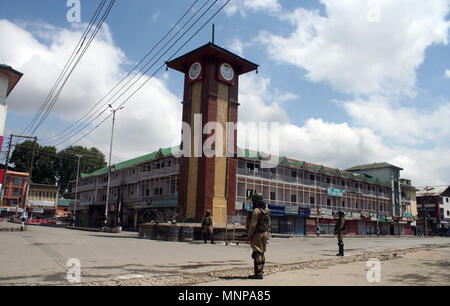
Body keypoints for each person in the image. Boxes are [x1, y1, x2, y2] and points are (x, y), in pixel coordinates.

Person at [246, 193, 271, 279]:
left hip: (257, 234)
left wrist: (249, 235)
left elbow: (252, 225)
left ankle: (258, 273)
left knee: (257, 253)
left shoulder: (256, 211)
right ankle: (260, 271)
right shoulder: (266, 210)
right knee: (261, 252)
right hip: (264, 233)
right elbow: (269, 223)